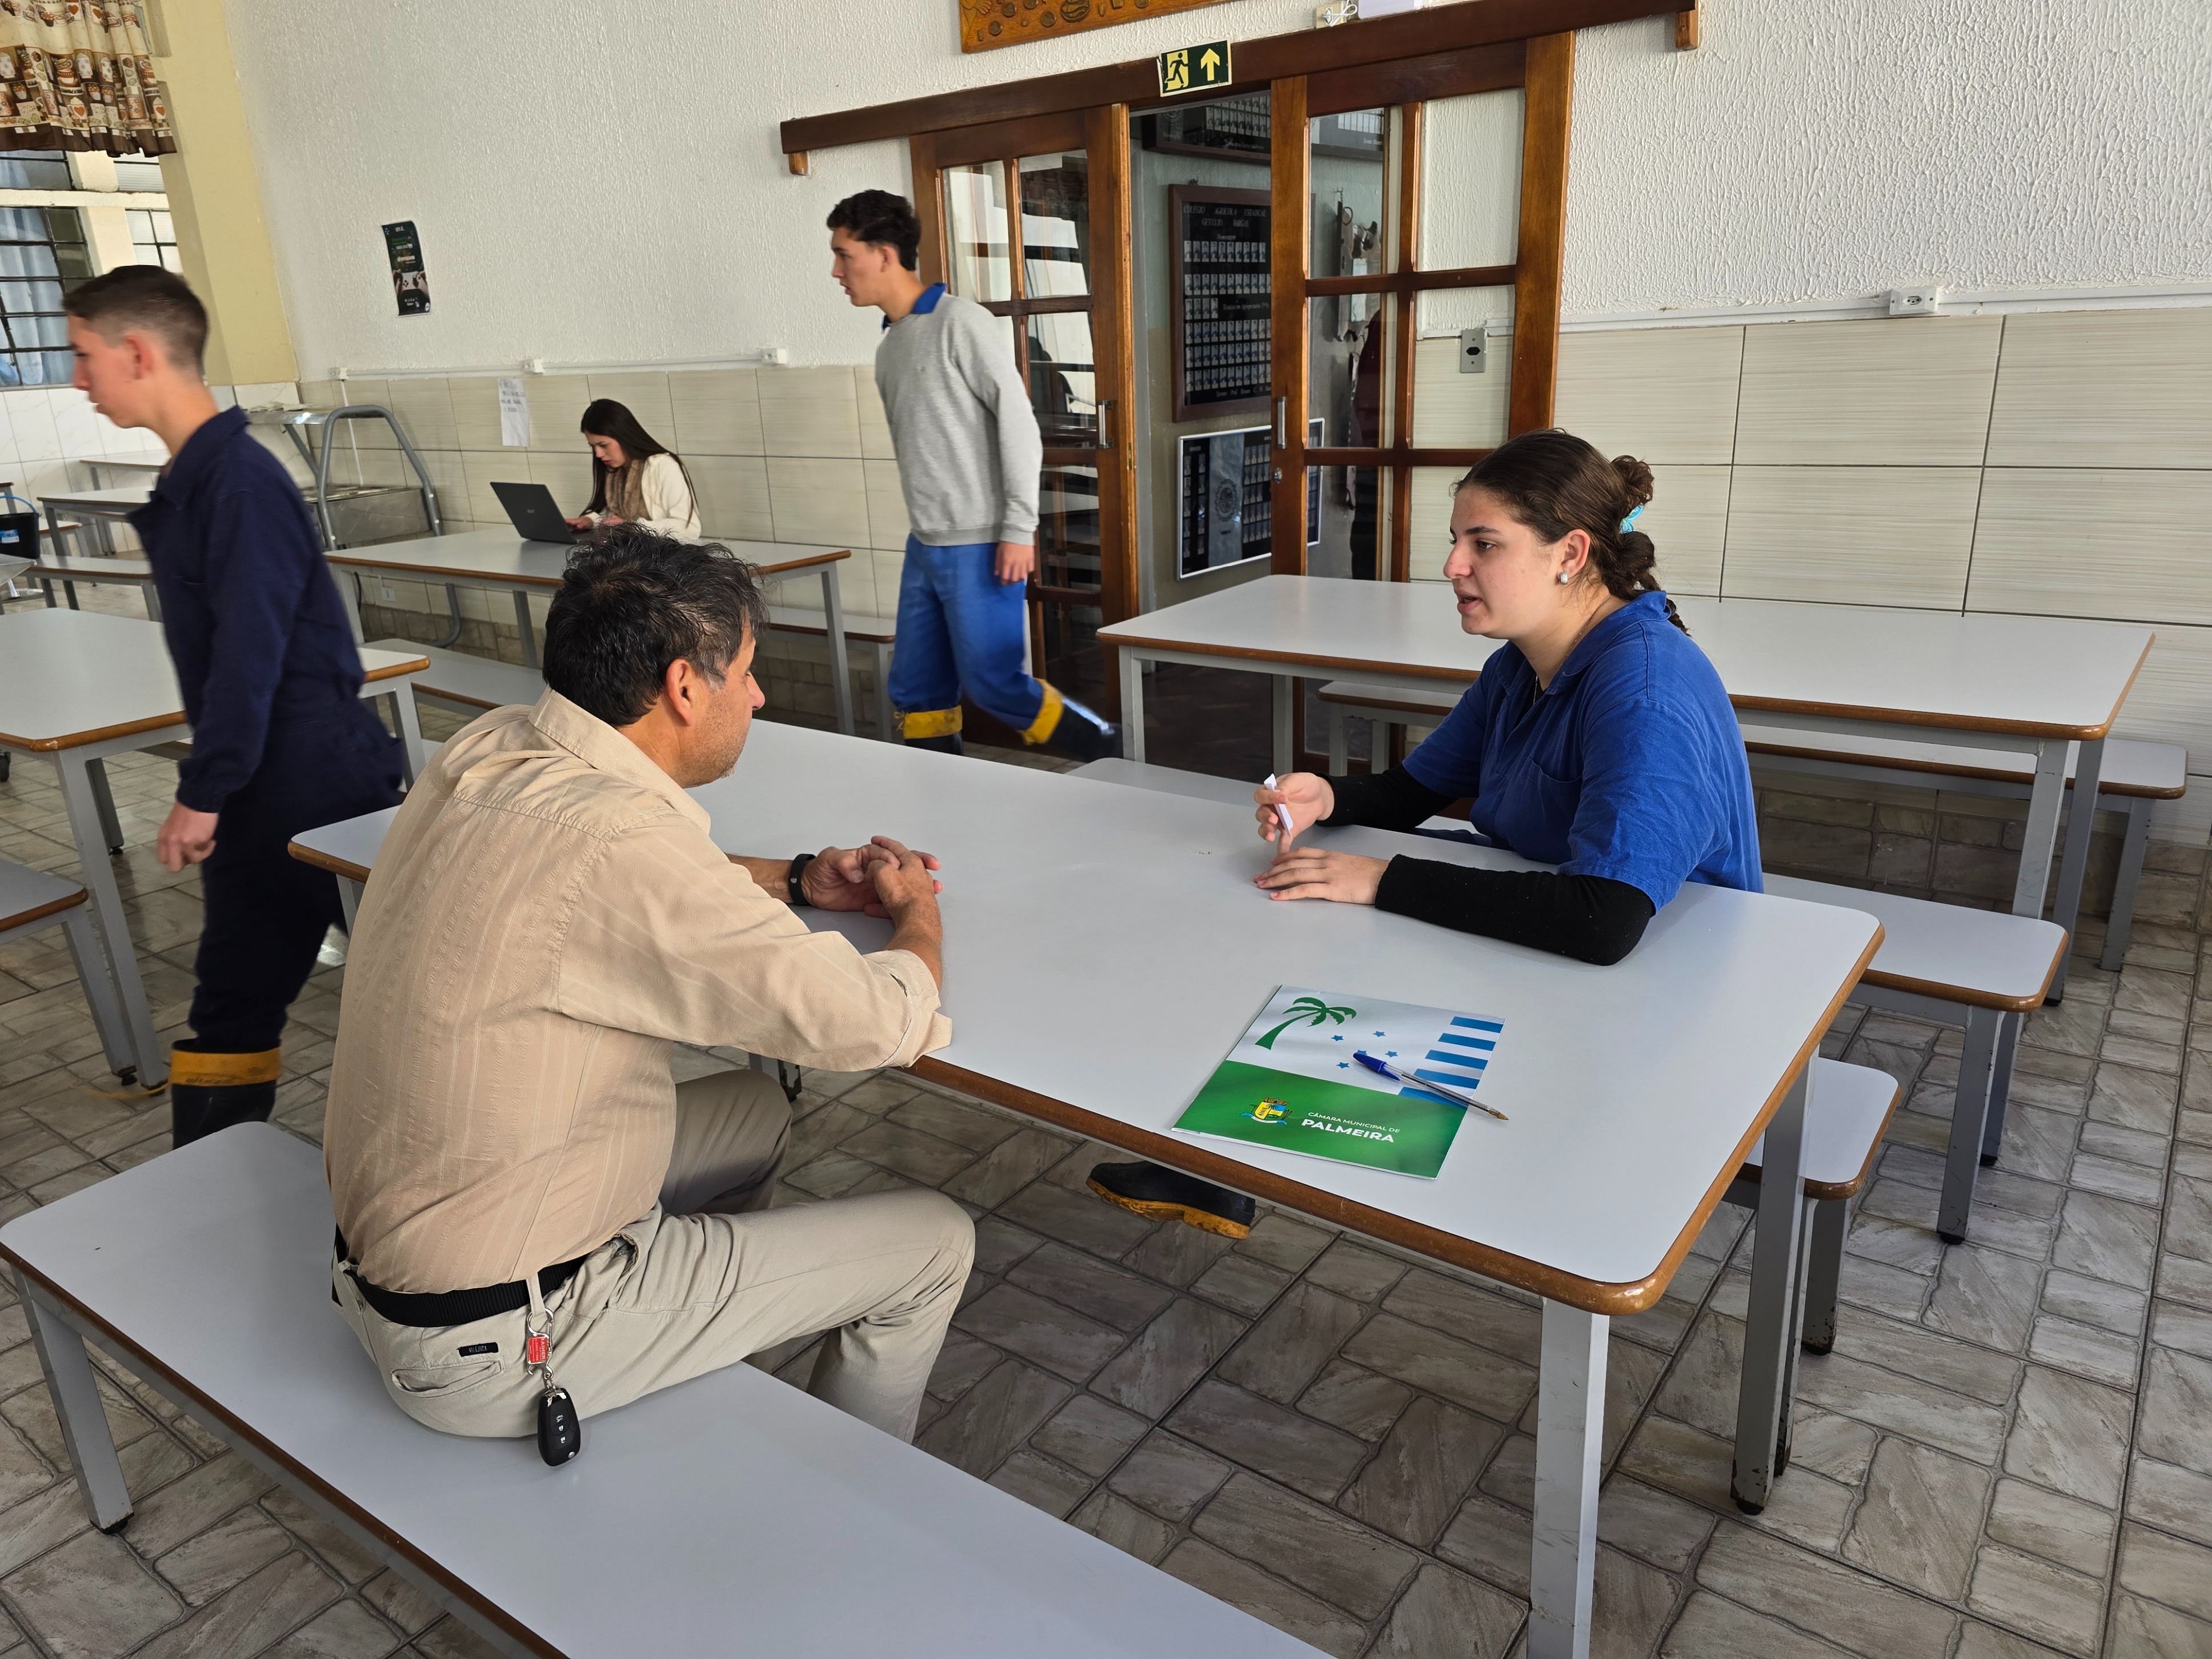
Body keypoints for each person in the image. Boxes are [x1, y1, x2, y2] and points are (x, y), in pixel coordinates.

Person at [324, 526, 972, 1444]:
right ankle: (846, 1502)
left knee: (755, 1108)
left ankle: (682, 1344)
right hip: (494, 1337)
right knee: (936, 1243)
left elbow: (617, 878)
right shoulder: (621, 843)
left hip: (406, 1250)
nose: (756, 694)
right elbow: (872, 1024)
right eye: (745, 671)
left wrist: (796, 880)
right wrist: (918, 917)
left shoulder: (492, 746)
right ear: (683, 688)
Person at [1087, 429, 1761, 1236]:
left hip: (1668, 979)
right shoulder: (1522, 663)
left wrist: (1379, 879)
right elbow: (1411, 792)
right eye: (1455, 541)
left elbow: (1603, 921)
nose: (1451, 566)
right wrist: (1324, 797)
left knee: (1352, 937)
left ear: (1570, 554)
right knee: (1310, 924)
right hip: (1559, 931)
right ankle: (1229, 1160)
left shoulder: (1644, 686)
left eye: (1484, 544)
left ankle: (1294, 1162)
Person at [66, 266, 405, 1146]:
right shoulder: (202, 477)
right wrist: (220, 787)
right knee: (234, 997)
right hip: (268, 780)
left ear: (138, 352)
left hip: (318, 779)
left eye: (84, 356)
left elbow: (250, 659)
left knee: (412, 991)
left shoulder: (239, 484)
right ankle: (209, 1177)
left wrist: (204, 789)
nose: (77, 378)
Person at [827, 189, 1117, 761]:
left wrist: (1018, 528)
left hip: (981, 544)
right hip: (926, 544)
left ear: (884, 255)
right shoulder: (890, 346)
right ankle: (939, 798)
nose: (836, 271)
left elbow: (1019, 425)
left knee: (994, 684)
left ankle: (1111, 751)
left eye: (844, 255)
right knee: (915, 687)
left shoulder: (961, 323)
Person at [565, 397, 700, 538]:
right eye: (593, 447)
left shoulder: (663, 465)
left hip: (662, 551)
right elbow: (618, 520)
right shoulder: (615, 471)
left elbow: (689, 529)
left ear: (624, 436)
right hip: (627, 550)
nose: (598, 454)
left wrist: (633, 526)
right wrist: (591, 521)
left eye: (603, 445)